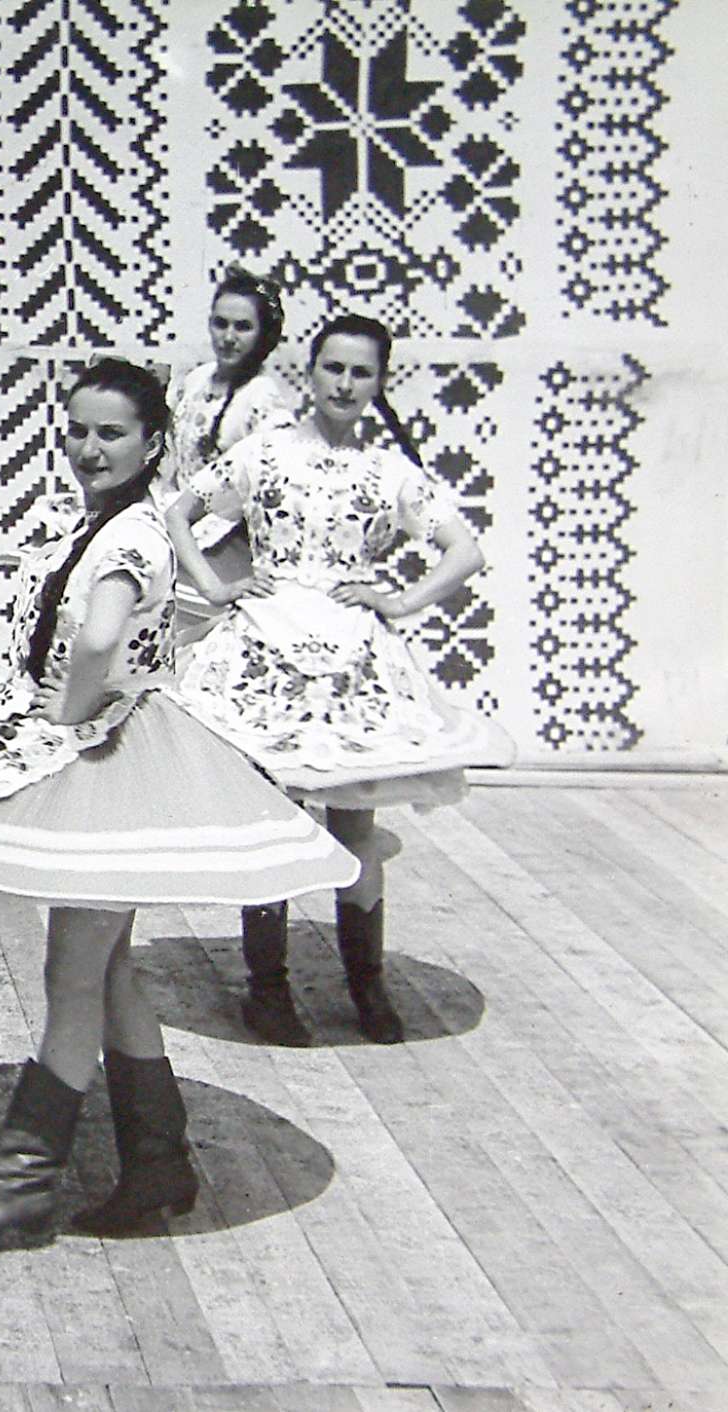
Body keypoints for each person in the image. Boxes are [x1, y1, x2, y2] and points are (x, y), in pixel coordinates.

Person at [0, 359, 358, 1243]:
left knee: (71, 977)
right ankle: (159, 1166)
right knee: (111, 969)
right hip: (109, 743)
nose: (90, 448)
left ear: (154, 443)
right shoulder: (107, 522)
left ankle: (21, 1188)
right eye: (79, 431)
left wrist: (62, 718)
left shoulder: (131, 535)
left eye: (112, 434)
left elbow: (98, 638)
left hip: (112, 754)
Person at [167, 313, 514, 1047]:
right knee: (277, 818)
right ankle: (268, 990)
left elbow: (465, 551)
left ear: (379, 382)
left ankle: (367, 986)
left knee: (355, 822)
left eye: (362, 373)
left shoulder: (390, 471)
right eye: (334, 368)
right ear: (311, 371)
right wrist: (218, 587)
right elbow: (179, 512)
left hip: (353, 656)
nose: (346, 384)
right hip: (265, 648)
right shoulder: (265, 451)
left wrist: (401, 600)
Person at [162, 266, 294, 642]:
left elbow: (273, 489)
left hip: (225, 541)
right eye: (221, 324)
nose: (229, 337)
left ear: (264, 334)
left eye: (243, 327)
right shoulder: (196, 379)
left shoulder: (263, 398)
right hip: (176, 518)